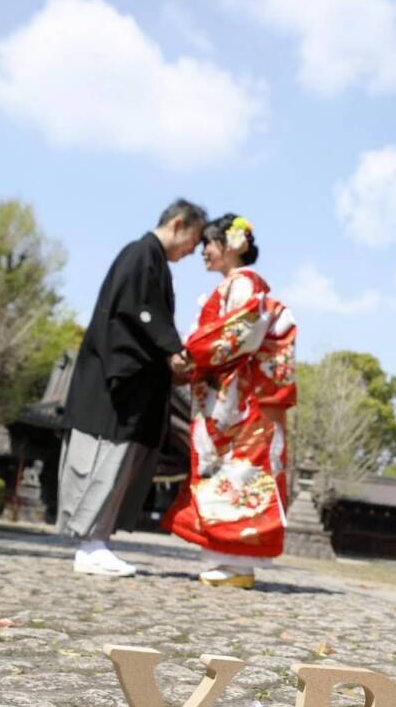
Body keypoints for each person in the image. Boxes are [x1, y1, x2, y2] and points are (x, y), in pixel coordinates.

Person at [57, 198, 206, 576]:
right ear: (177, 224)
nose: (193, 251)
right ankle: (90, 544)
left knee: (121, 464)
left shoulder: (152, 260)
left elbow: (147, 316)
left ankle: (98, 542)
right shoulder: (140, 254)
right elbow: (137, 311)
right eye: (194, 239)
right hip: (117, 382)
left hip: (134, 382)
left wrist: (171, 354)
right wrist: (173, 350)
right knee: (105, 459)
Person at [161, 213, 296, 588]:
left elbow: (239, 334)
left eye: (210, 243)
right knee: (220, 471)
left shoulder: (246, 285)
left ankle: (236, 562)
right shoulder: (233, 287)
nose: (204, 251)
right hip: (224, 395)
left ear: (231, 245)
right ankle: (226, 558)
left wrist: (192, 353)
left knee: (238, 472)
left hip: (239, 400)